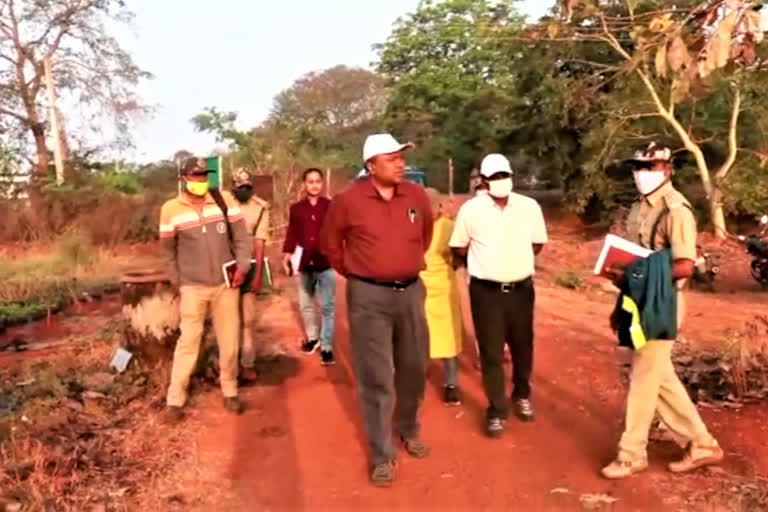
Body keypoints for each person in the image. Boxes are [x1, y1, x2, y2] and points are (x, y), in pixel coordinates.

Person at [601, 142, 723, 479]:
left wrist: (638, 275)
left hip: (662, 303)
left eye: (651, 167)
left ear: (667, 169)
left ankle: (631, 453)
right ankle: (702, 443)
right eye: (638, 167)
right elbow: (635, 257)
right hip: (638, 301)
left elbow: (684, 265)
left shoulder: (676, 210)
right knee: (659, 376)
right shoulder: (639, 207)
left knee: (643, 376)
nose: (643, 174)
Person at [319, 133, 433, 487]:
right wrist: (361, 271)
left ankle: (408, 427)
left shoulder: (415, 195)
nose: (401, 163)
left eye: (402, 157)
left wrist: (402, 264)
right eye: (392, 158)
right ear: (371, 166)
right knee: (376, 377)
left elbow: (425, 236)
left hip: (411, 293)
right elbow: (330, 245)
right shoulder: (348, 200)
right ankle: (383, 453)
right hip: (369, 298)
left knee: (415, 368)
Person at [450, 153, 547, 438]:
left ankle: (522, 393)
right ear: (483, 180)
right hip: (486, 292)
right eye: (494, 178)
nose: (500, 182)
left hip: (521, 289)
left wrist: (513, 261)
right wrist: (485, 263)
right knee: (491, 351)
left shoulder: (529, 207)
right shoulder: (471, 210)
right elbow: (458, 246)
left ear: (511, 176)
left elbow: (537, 243)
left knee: (522, 346)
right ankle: (496, 408)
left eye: (504, 176)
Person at [159, 157, 251, 421]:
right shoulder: (170, 210)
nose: (201, 180)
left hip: (226, 284)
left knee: (230, 341)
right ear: (183, 179)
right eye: (195, 176)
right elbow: (167, 253)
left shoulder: (223, 200)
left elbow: (242, 238)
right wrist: (179, 281)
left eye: (204, 175)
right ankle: (175, 399)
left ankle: (230, 390)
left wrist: (242, 268)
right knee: (188, 342)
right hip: (192, 287)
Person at [282, 168, 337, 365]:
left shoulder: (331, 206)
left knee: (327, 306)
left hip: (326, 263)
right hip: (305, 263)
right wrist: (286, 256)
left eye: (317, 181)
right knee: (306, 304)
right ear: (304, 184)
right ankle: (313, 338)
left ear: (322, 184)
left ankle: (327, 347)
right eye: (310, 181)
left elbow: (338, 232)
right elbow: (292, 233)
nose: (314, 185)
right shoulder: (296, 209)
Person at [421, 189, 463, 405]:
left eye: (433, 205)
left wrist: (449, 267)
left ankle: (452, 383)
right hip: (419, 287)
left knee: (448, 337)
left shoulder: (450, 227)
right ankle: (418, 374)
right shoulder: (412, 225)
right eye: (423, 205)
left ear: (440, 207)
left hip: (444, 288)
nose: (428, 209)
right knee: (419, 334)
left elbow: (459, 257)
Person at [231, 169, 271, 378]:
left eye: (247, 187)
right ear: (233, 186)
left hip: (250, 266)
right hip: (226, 266)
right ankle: (228, 365)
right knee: (227, 320)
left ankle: (247, 363)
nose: (243, 190)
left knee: (247, 319)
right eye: (240, 187)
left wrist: (257, 277)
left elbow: (260, 241)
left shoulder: (260, 208)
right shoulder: (223, 204)